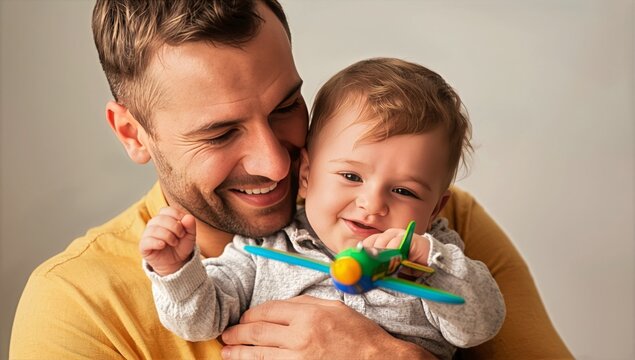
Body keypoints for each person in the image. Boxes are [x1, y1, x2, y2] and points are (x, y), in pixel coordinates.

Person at [9, 1, 573, 359]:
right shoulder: (77, 305)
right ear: (133, 134)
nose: (277, 164)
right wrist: (177, 273)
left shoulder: (444, 228)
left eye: (285, 105)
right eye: (221, 132)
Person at [140, 57, 506, 360]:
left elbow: (481, 324)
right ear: (307, 175)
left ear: (435, 208)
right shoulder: (265, 250)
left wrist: (429, 260)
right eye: (350, 175)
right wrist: (177, 270)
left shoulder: (435, 257)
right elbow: (199, 320)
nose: (372, 204)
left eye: (403, 191)